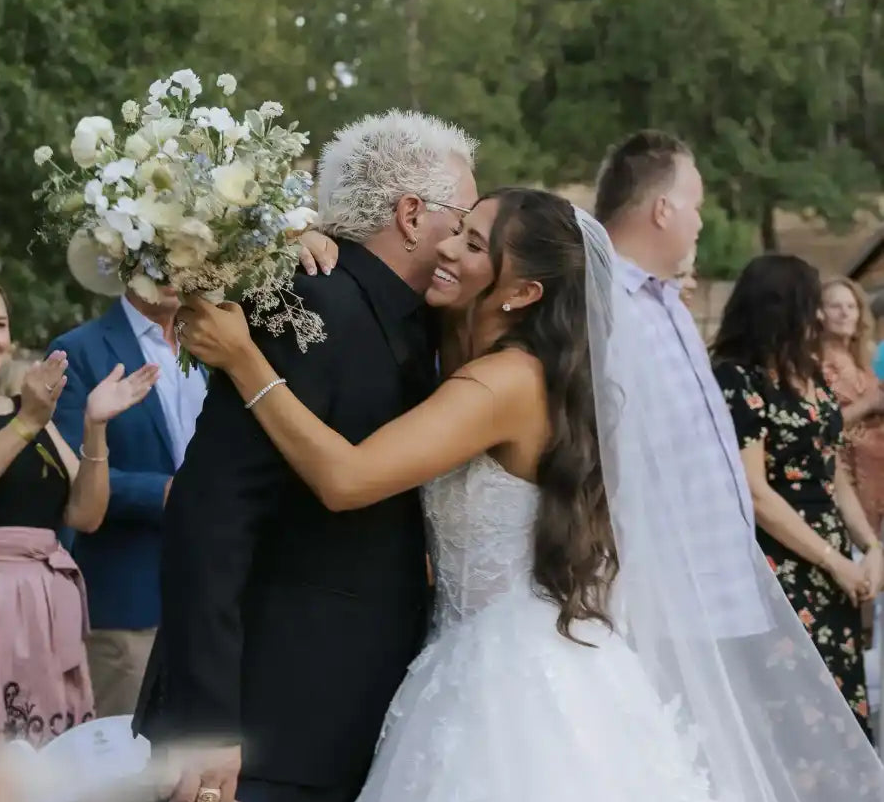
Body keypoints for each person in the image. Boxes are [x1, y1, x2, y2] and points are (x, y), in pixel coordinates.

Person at [178, 186, 883, 801]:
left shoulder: (504, 383)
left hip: (509, 680)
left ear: (521, 293)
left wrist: (245, 360)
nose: (447, 248)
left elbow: (347, 480)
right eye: (457, 229)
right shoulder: (491, 358)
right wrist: (305, 240)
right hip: (493, 649)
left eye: (472, 243)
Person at [133, 110, 479, 802]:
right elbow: (211, 517)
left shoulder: (434, 324)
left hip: (360, 717)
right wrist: (206, 719)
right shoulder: (306, 303)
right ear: (412, 215)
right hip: (269, 724)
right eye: (464, 221)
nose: (465, 244)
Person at [711, 255, 884, 736]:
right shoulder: (737, 378)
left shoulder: (808, 370)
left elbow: (832, 469)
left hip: (832, 559)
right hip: (779, 561)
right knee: (793, 715)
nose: (820, 315)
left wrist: (869, 546)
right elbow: (755, 492)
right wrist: (834, 560)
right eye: (812, 303)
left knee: (842, 709)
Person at [48, 284, 206, 718]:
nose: (173, 269)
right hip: (128, 601)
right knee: (123, 751)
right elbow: (67, 474)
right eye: (159, 253)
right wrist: (163, 493)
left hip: (211, 597)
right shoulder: (77, 350)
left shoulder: (209, 346)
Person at [1, 340, 157, 747]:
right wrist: (26, 423)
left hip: (46, 608)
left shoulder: (32, 413)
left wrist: (95, 427)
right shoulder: (31, 416)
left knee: (50, 755)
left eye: (0, 325)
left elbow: (86, 515)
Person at [820, 277, 884, 532]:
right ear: (818, 313)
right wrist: (868, 404)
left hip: (876, 479)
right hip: (842, 481)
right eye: (835, 306)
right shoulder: (813, 362)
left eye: (851, 306)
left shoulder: (864, 359)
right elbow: (816, 424)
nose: (845, 313)